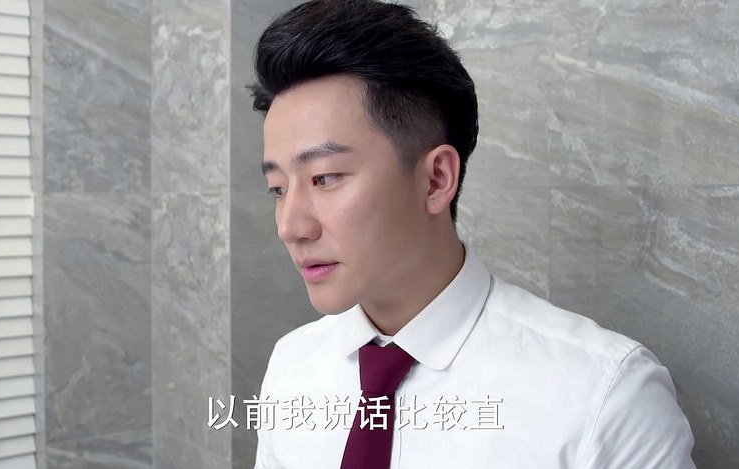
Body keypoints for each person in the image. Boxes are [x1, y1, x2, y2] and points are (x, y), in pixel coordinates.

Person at [249, 1, 696, 467]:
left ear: (436, 180)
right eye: (278, 188)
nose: (289, 227)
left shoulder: (604, 397)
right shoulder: (293, 367)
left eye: (324, 178)